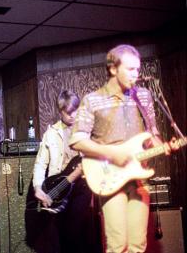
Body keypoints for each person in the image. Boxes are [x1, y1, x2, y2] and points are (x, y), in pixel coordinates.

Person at [69, 44, 175, 253]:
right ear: (113, 69)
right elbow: (77, 140)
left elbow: (152, 132)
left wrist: (159, 144)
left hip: (138, 176)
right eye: (130, 69)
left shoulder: (143, 96)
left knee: (138, 245)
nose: (136, 74)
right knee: (117, 246)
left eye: (138, 69)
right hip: (110, 177)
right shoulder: (93, 100)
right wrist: (113, 153)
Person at [32, 90, 92, 253]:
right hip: (58, 189)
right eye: (68, 112)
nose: (73, 116)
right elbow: (40, 164)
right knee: (57, 238)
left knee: (77, 234)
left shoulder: (87, 132)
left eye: (76, 111)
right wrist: (38, 188)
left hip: (82, 187)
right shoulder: (51, 134)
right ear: (60, 112)